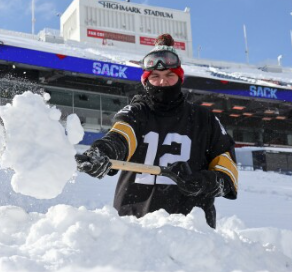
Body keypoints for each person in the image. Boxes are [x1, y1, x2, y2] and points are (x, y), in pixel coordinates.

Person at [75, 34, 238, 228]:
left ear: (180, 78)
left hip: (193, 233)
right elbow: (121, 136)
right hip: (135, 227)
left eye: (170, 75)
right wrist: (102, 152)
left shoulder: (206, 119)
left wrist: (202, 182)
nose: (163, 82)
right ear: (146, 81)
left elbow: (228, 173)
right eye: (155, 77)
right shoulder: (137, 112)